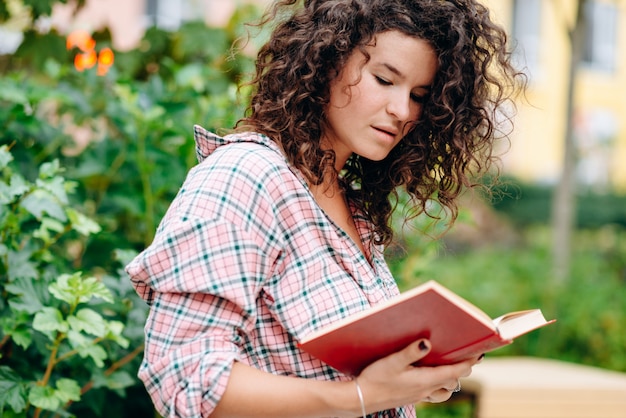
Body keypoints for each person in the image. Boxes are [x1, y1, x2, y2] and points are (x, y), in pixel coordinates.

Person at [125, 0, 525, 416]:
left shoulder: (346, 202)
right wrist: (363, 396)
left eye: (419, 95)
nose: (402, 110)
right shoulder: (246, 176)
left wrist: (410, 379)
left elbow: (334, 372)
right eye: (385, 79)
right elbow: (185, 376)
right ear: (327, 60)